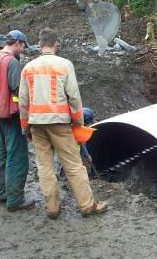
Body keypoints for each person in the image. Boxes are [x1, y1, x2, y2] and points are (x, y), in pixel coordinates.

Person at [18, 28, 107, 219]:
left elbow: (23, 102)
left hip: (37, 124)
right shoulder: (64, 65)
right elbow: (74, 97)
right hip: (60, 124)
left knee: (45, 167)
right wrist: (78, 123)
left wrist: (26, 127)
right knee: (74, 165)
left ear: (40, 44)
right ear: (56, 44)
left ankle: (52, 208)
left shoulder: (28, 68)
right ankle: (87, 206)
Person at [0, 30, 34, 212]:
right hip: (11, 116)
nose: (23, 50)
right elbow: (20, 91)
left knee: (1, 154)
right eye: (23, 46)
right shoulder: (11, 62)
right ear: (17, 43)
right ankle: (15, 200)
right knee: (17, 157)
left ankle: (1, 193)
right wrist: (30, 115)